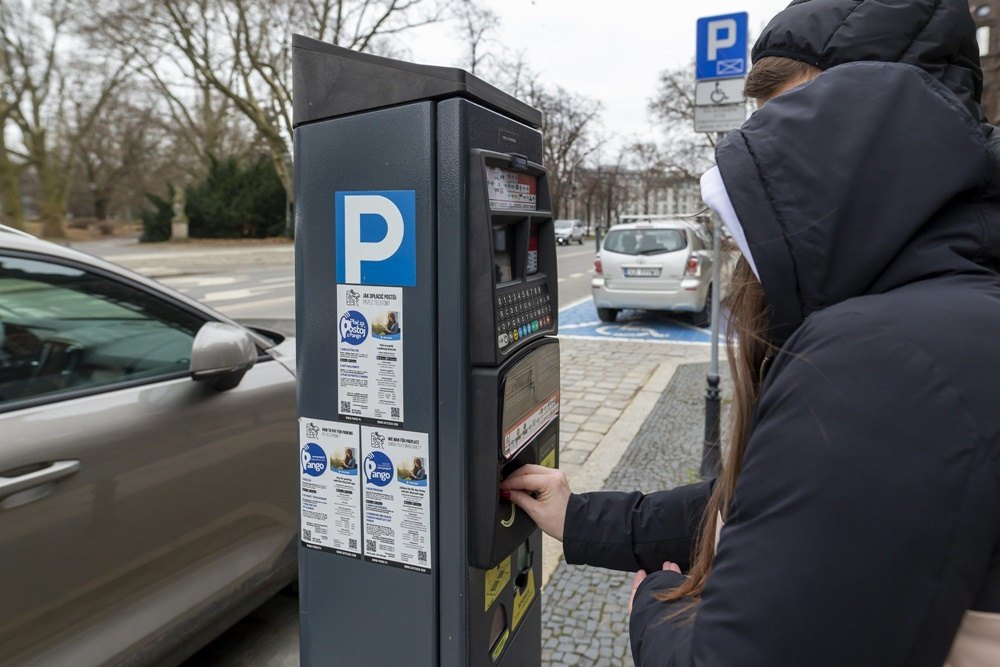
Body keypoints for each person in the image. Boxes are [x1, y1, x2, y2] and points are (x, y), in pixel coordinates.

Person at [501, 1, 1000, 665]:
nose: (766, 156)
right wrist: (587, 518)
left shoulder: (885, 355)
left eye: (793, 126)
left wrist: (657, 600)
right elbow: (787, 506)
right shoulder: (930, 311)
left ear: (881, 121)